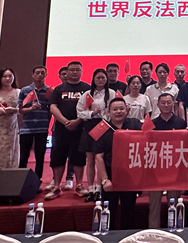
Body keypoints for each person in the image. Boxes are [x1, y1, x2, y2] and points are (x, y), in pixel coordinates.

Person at [46, 61, 91, 200]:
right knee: (58, 157)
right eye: (72, 70)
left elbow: (90, 108)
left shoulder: (87, 89)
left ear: (81, 71)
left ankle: (79, 185)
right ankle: (57, 187)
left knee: (79, 157)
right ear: (68, 71)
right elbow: (53, 107)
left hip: (80, 128)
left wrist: (77, 121)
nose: (75, 72)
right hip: (61, 129)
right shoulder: (59, 89)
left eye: (78, 69)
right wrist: (65, 121)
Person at [95, 97, 142, 230]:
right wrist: (105, 180)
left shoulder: (135, 124)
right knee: (109, 211)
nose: (118, 112)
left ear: (127, 110)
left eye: (121, 108)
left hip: (130, 176)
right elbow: (98, 157)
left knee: (129, 211)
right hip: (110, 176)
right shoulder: (100, 128)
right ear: (108, 112)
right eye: (115, 109)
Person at [76, 68, 115, 202]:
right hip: (90, 126)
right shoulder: (87, 94)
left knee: (101, 158)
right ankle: (91, 189)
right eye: (98, 78)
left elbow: (115, 108)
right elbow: (79, 112)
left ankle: (99, 188)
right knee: (90, 160)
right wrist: (92, 113)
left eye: (103, 78)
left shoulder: (111, 93)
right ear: (93, 79)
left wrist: (105, 114)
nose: (100, 80)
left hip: (104, 127)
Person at [149, 93, 186, 229]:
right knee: (154, 205)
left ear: (173, 104)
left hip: (174, 169)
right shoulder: (152, 124)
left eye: (168, 102)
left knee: (174, 202)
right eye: (163, 103)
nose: (166, 105)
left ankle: (174, 229)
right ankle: (154, 232)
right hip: (156, 169)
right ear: (158, 105)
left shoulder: (180, 123)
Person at [18, 65, 51, 183]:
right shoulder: (25, 90)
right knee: (24, 155)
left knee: (40, 155)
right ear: (32, 75)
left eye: (42, 73)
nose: (40, 75)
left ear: (46, 75)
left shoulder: (49, 91)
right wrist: (31, 108)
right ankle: (21, 179)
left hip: (42, 128)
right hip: (26, 128)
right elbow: (20, 110)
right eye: (37, 73)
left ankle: (37, 180)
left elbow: (51, 109)